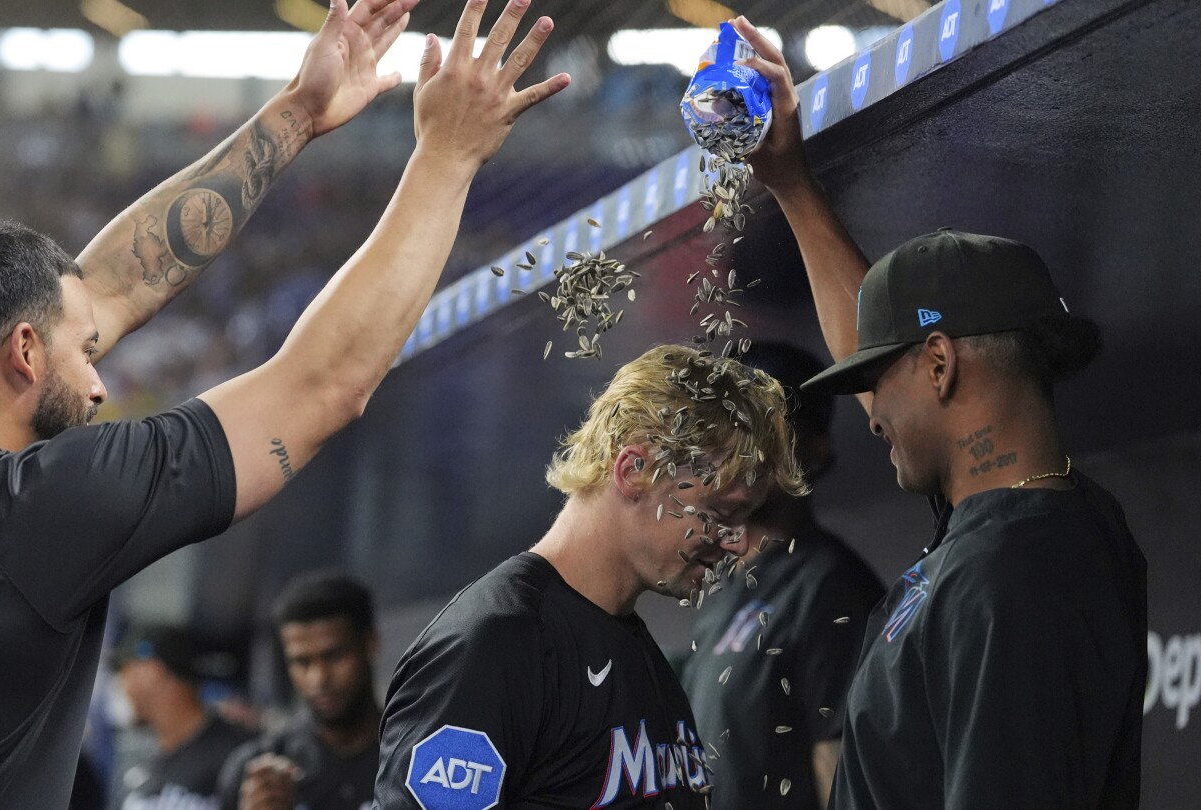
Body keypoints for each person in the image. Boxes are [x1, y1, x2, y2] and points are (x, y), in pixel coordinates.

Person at [0, 0, 571, 805]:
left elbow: (97, 293)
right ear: (22, 353)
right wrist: (448, 155)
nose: (100, 380)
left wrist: (297, 113)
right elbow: (323, 387)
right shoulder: (24, 513)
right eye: (85, 354)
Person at [732, 17, 1147, 808]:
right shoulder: (1022, 523)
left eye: (877, 380)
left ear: (939, 365)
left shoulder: (1016, 578)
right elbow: (884, 352)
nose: (868, 410)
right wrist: (789, 180)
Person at [376, 344, 808, 809]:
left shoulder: (636, 652)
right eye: (722, 511)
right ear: (634, 470)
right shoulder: (495, 643)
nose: (735, 541)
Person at [676, 342, 883, 809]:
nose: (740, 450)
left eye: (763, 431)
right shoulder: (725, 587)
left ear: (813, 450)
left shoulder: (830, 587)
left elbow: (843, 771)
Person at [218, 572, 382, 810]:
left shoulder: (414, 759)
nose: (319, 678)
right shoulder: (255, 773)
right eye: (302, 662)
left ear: (370, 644)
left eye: (334, 656)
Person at [114, 627, 254, 810]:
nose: (122, 685)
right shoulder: (141, 763)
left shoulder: (239, 754)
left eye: (125, 672)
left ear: (153, 672)